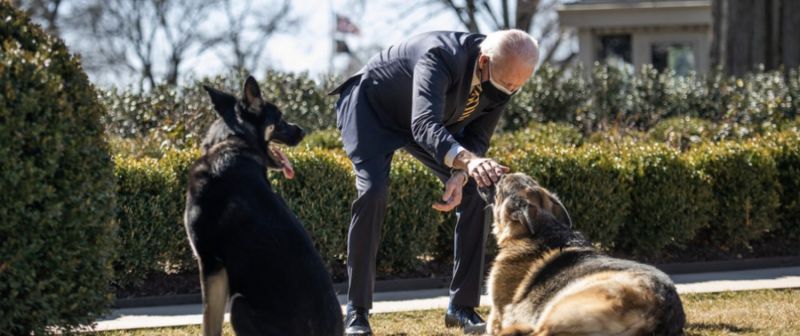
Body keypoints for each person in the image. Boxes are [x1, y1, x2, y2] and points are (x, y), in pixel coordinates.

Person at [329, 29, 539, 335]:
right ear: (483, 62)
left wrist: (461, 173)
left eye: (517, 86)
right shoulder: (439, 56)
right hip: (371, 110)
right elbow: (424, 124)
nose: (510, 91)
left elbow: (478, 137)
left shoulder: (505, 73)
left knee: (477, 189)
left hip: (424, 122)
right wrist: (468, 161)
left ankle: (461, 308)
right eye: (507, 84)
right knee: (373, 192)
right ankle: (356, 312)